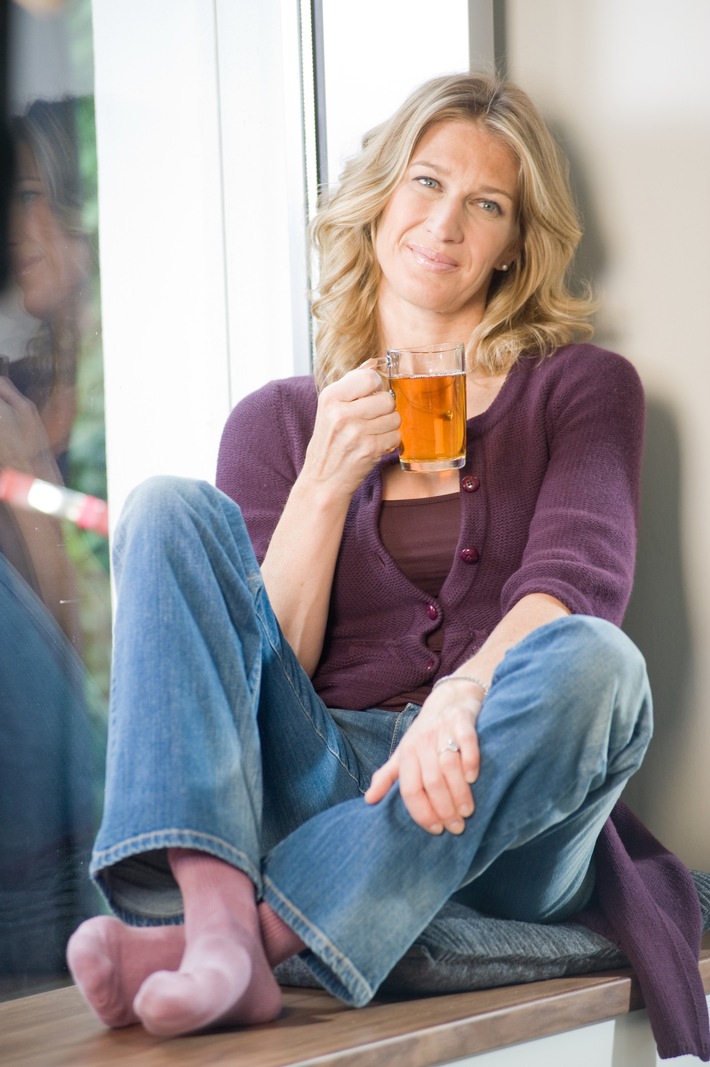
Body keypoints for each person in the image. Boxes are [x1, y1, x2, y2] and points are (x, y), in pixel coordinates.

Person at [66, 73, 707, 1057]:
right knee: (165, 507)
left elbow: (580, 580)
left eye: (484, 204)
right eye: (424, 182)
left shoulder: (580, 389)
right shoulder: (276, 422)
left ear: (511, 248)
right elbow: (257, 668)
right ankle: (219, 905)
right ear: (375, 206)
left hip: (499, 802)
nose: (445, 221)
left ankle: (249, 937)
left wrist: (464, 692)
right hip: (326, 781)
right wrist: (325, 477)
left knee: (600, 664)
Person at [0, 97, 106, 990]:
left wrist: (32, 489)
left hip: (94, 797)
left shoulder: (145, 377)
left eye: (32, 195)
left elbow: (107, 661)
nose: (14, 227)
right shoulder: (21, 385)